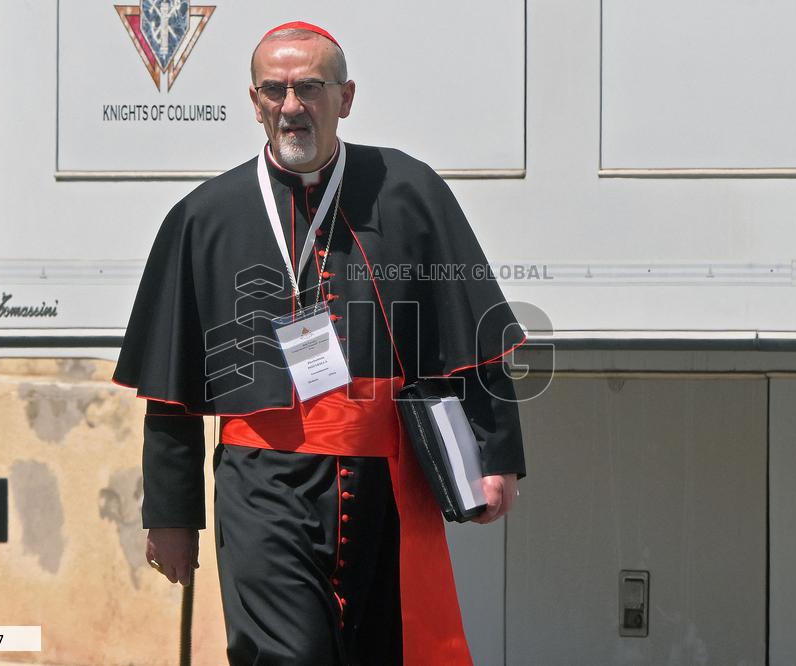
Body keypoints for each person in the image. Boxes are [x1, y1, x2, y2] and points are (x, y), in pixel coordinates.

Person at [113, 21, 527, 665]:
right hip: (263, 486)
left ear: (346, 97)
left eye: (309, 86)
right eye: (274, 90)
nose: (291, 105)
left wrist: (496, 457)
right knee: (290, 655)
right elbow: (170, 389)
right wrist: (171, 514)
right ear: (255, 102)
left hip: (385, 481)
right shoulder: (204, 217)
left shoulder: (410, 190)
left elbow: (475, 338)